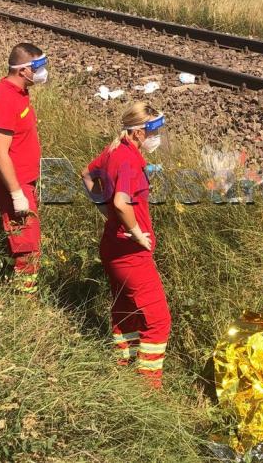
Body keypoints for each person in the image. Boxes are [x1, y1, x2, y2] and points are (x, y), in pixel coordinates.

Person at [82, 102, 171, 388]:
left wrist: (105, 211)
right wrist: (136, 232)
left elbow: (86, 175)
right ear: (136, 132)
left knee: (126, 311)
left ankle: (122, 367)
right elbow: (121, 202)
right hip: (130, 253)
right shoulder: (128, 160)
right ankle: (148, 388)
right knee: (158, 320)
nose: (157, 136)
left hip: (113, 247)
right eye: (153, 130)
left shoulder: (114, 150)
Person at [0, 43, 49, 296]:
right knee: (28, 246)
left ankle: (21, 290)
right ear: (23, 70)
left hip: (24, 180)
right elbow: (0, 154)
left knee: (26, 241)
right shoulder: (4, 99)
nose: (43, 72)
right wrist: (16, 193)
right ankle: (24, 301)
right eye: (39, 68)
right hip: (15, 183)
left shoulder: (19, 92)